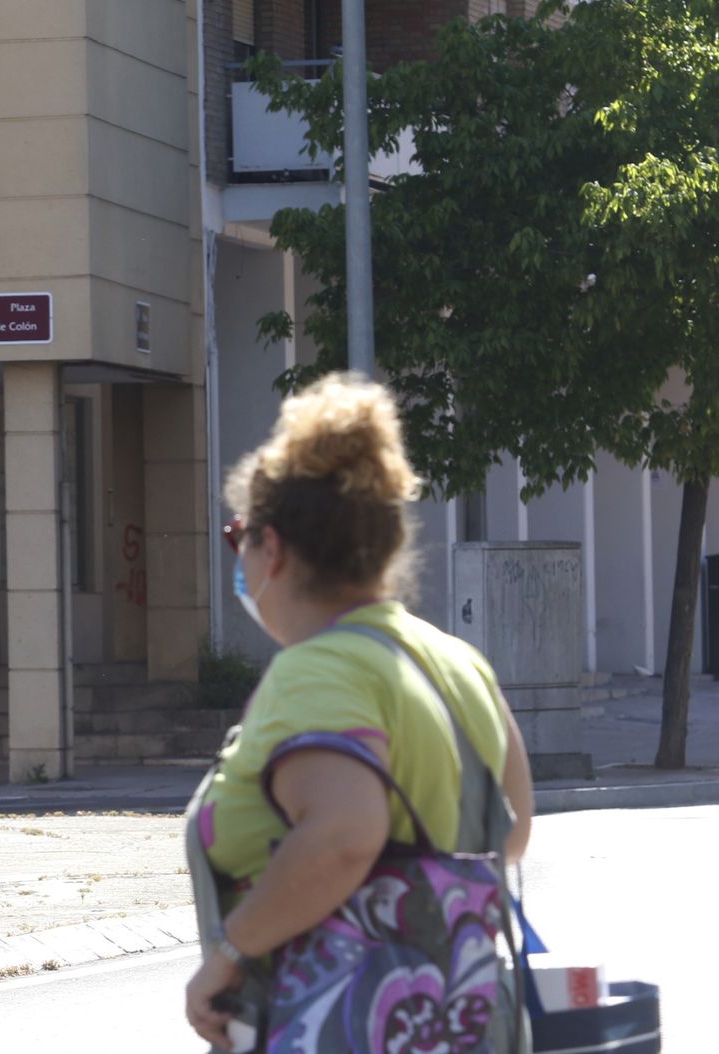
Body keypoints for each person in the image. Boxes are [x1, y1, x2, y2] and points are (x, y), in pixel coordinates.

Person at [183, 372, 535, 1052]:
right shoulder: (457, 663)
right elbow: (510, 834)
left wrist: (227, 954)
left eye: (241, 540)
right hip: (469, 1027)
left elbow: (345, 834)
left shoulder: (317, 670)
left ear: (273, 548)